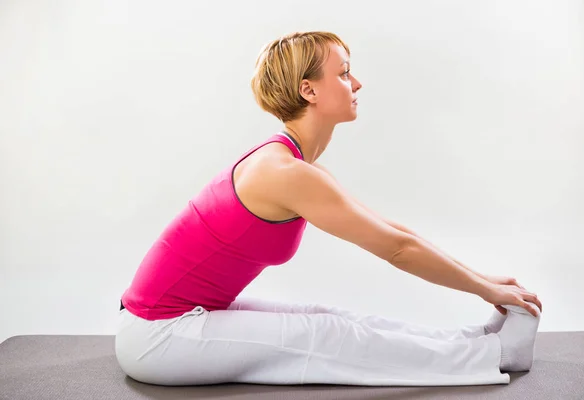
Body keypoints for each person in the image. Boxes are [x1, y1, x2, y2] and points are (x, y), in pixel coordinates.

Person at [115, 31, 543, 387]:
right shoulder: (284, 172)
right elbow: (396, 250)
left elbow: (394, 233)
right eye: (343, 73)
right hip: (158, 336)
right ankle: (497, 356)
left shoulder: (296, 164)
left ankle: (475, 341)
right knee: (326, 335)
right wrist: (485, 291)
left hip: (178, 320)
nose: (357, 83)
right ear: (308, 90)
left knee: (327, 317)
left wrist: (482, 279)